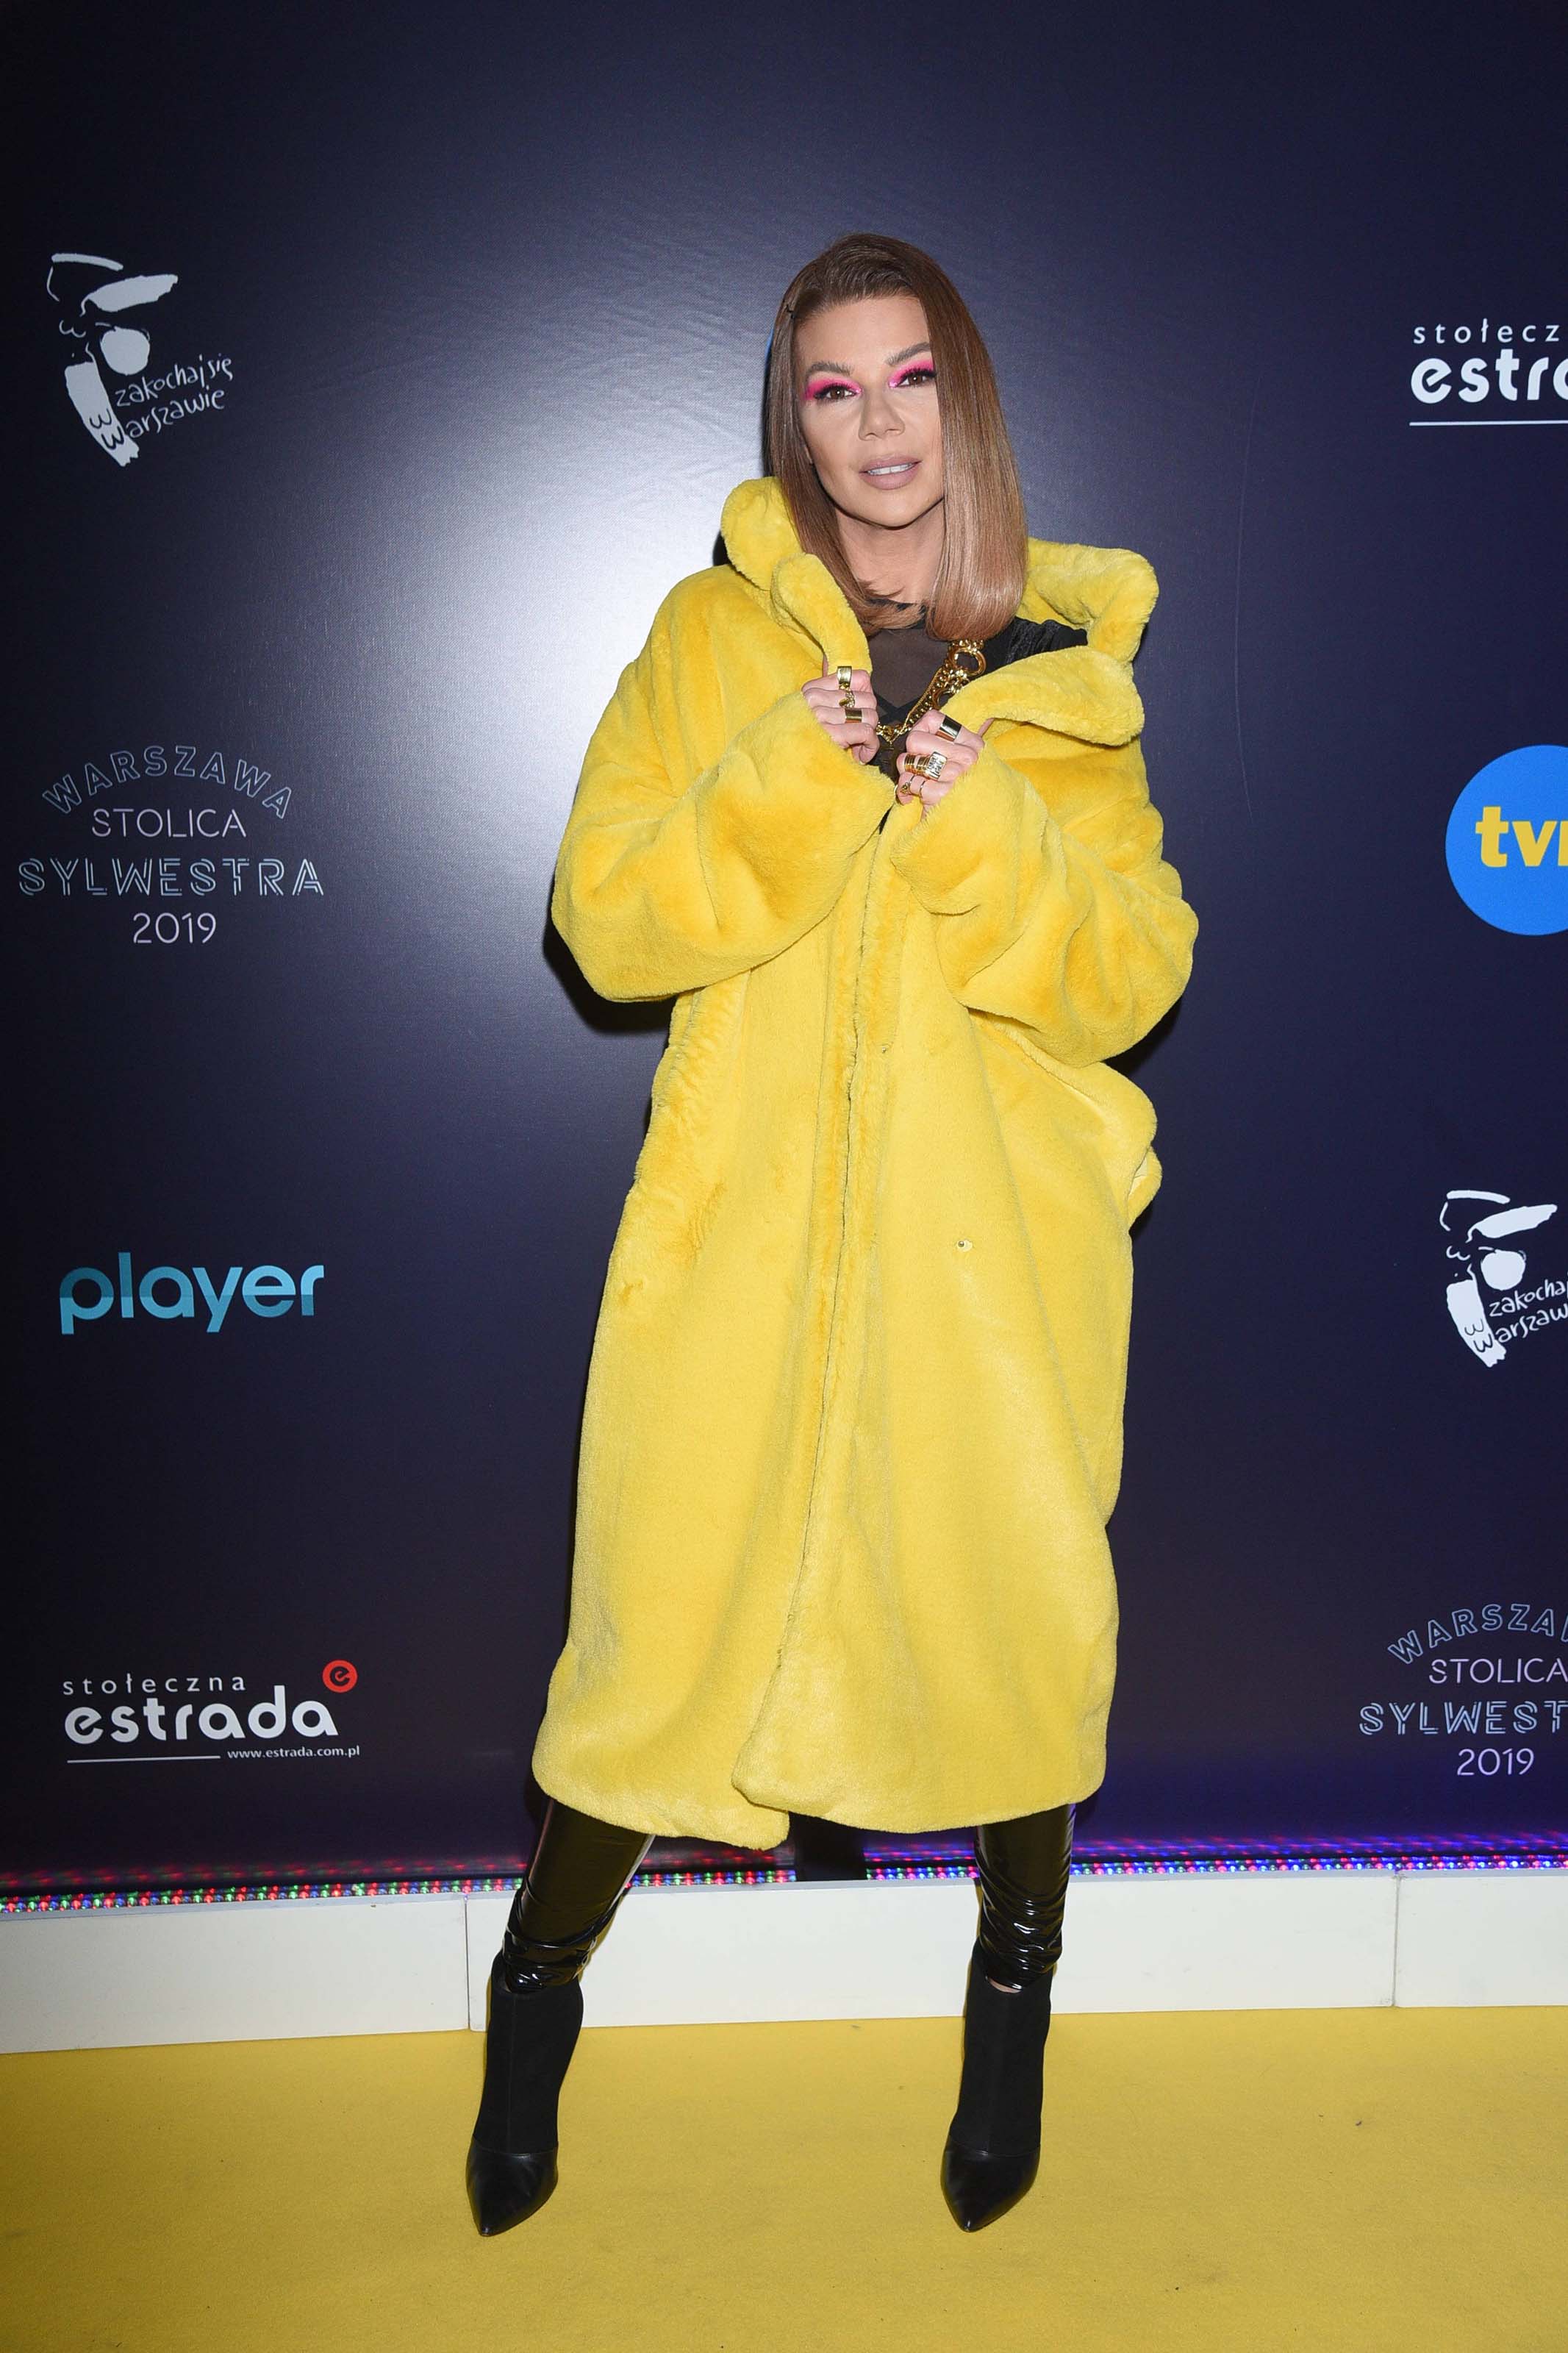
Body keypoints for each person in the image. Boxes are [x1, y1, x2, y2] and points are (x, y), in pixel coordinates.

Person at [466, 232, 1198, 2238]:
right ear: (793, 418)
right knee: (656, 1642)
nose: (879, 426)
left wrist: (989, 829)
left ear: (967, 398)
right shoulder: (712, 638)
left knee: (1009, 1630)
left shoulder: (1067, 675)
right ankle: (533, 2001)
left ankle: (1013, 2002)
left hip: (994, 1256)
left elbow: (1133, 970)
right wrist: (792, 777)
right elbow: (607, 921)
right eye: (834, 388)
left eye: (912, 379)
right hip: (746, 1243)